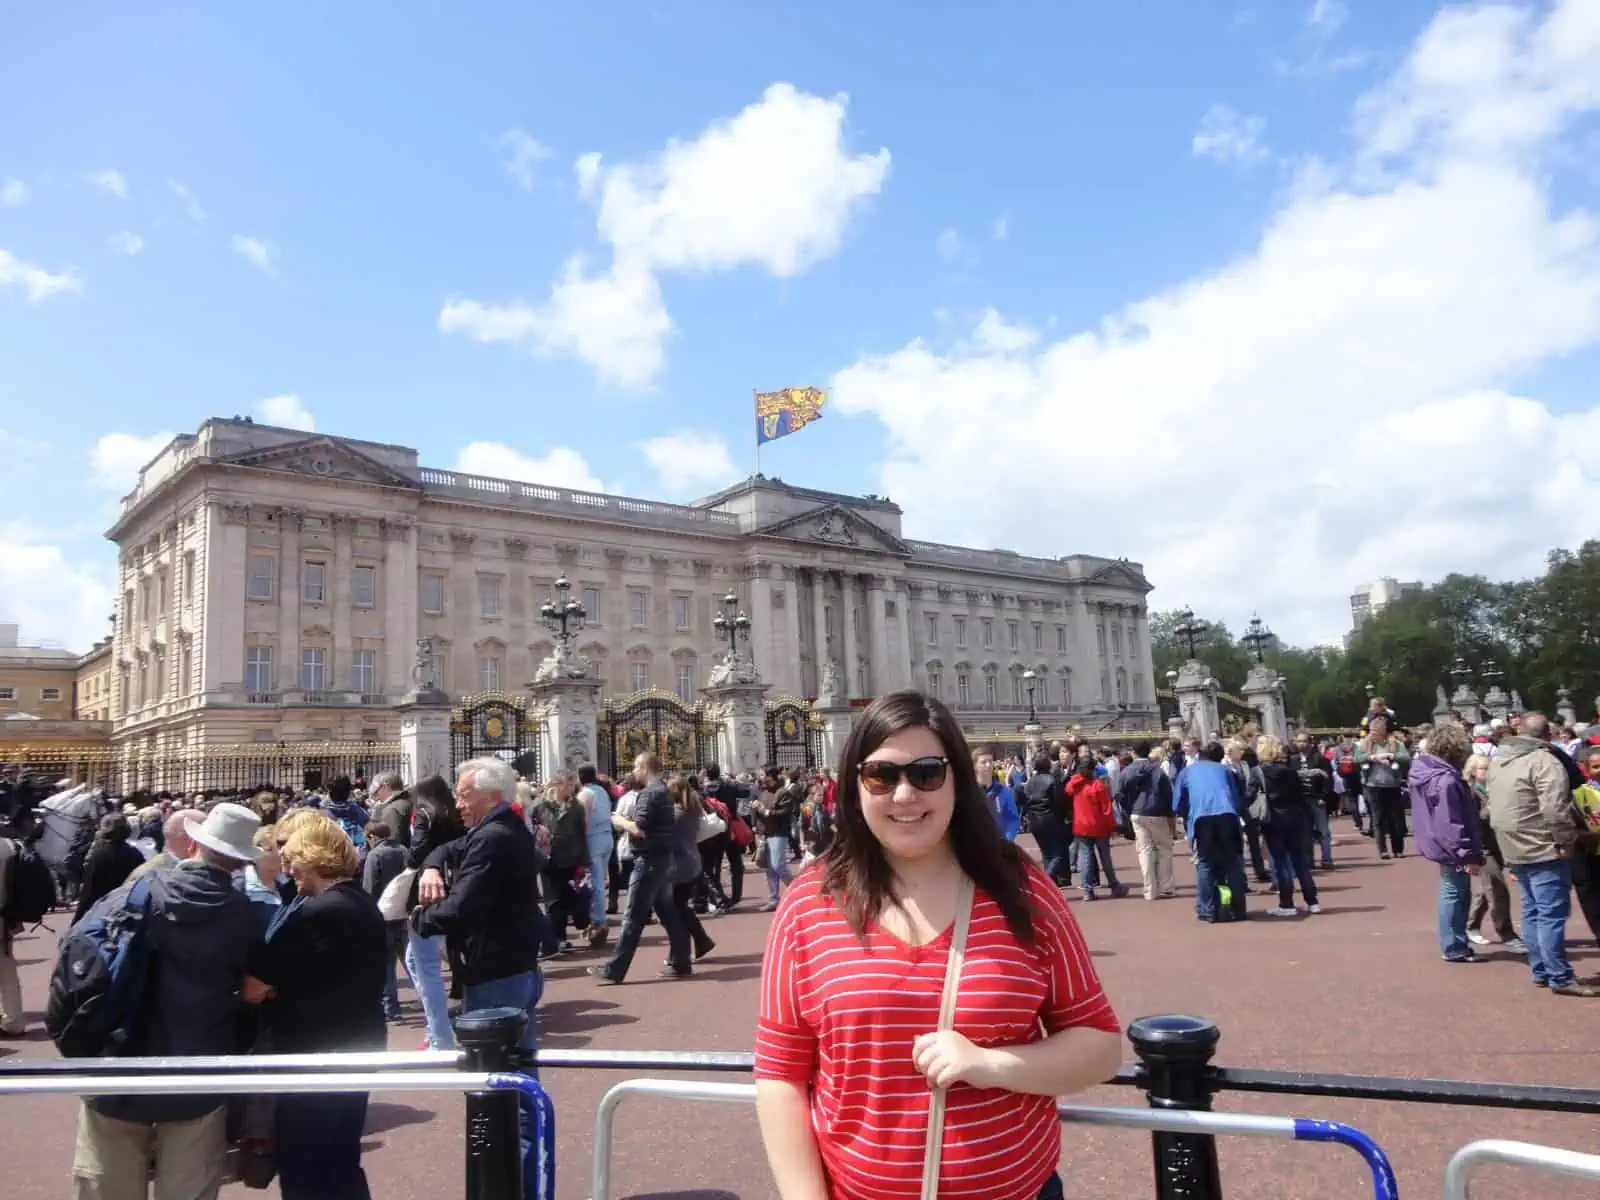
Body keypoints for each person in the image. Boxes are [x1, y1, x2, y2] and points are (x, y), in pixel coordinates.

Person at [754, 691, 1122, 1200]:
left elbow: (1099, 1044)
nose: (905, 795)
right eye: (881, 776)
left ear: (957, 780)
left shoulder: (1022, 890)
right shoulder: (809, 903)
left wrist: (991, 1065)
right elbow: (780, 1072)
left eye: (927, 773)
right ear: (855, 786)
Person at [70, 803, 259, 1200]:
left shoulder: (135, 892)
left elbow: (76, 952)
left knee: (107, 1187)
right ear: (240, 863)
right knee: (189, 1189)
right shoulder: (242, 914)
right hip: (197, 1068)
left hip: (120, 1061)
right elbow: (251, 991)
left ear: (193, 846)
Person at [413, 757, 549, 1196]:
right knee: (520, 1092)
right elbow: (449, 848)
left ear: (490, 796)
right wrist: (433, 864)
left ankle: (512, 1187)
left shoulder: (494, 838)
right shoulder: (501, 828)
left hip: (497, 975)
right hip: (514, 968)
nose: (457, 803)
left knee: (501, 1098)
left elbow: (462, 908)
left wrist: (418, 917)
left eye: (464, 795)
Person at [247, 818, 387, 1200]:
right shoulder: (361, 903)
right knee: (341, 1158)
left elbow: (255, 987)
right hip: (360, 1042)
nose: (289, 869)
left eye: (294, 859)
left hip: (312, 1049)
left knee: (304, 1163)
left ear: (313, 858)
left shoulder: (314, 913)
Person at [1487, 714, 1595, 997]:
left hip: (1512, 843)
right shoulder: (1543, 760)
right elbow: (1555, 808)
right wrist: (1566, 841)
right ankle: (1559, 975)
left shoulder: (1500, 760)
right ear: (1547, 734)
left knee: (1533, 911)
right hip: (1542, 843)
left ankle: (1541, 970)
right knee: (1550, 914)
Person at [589, 752, 692, 986]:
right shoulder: (664, 791)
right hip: (662, 858)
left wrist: (617, 819)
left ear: (645, 767)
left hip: (647, 860)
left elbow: (639, 829)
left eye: (636, 767)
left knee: (632, 917)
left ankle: (615, 969)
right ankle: (682, 961)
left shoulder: (649, 794)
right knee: (667, 912)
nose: (634, 772)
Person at [1408, 722, 1486, 963]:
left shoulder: (1427, 772)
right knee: (1455, 892)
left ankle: (1455, 942)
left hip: (1440, 842)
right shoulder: (1446, 780)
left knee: (1454, 891)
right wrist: (1465, 852)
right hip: (1451, 846)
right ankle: (1453, 945)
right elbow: (1450, 821)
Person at [404, 774, 465, 1050]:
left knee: (425, 964)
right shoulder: (453, 815)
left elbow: (415, 854)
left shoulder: (426, 815)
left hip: (426, 891)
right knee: (415, 960)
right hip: (451, 887)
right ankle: (437, 1024)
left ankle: (440, 1037)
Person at [1177, 742, 1249, 923]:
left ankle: (1207, 909)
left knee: (1205, 863)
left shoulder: (1187, 772)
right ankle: (1238, 908)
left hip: (1202, 817)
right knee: (1233, 861)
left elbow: (1178, 803)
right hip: (1227, 815)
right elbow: (1235, 798)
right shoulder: (1224, 770)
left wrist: (1188, 816)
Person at [1256, 736, 1319, 918]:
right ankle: (1312, 900)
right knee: (1299, 861)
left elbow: (1249, 795)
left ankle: (1286, 903)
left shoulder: (1258, 772)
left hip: (1273, 820)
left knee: (1281, 861)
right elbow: (1300, 795)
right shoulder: (1291, 771)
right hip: (1295, 818)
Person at [1121, 741, 1176, 901]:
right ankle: (1166, 886)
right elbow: (1167, 794)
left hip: (1137, 812)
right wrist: (1170, 815)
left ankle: (1150, 889)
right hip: (1157, 811)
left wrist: (1129, 809)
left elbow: (1121, 794)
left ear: (1133, 752)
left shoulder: (1128, 770)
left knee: (1144, 851)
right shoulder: (1158, 770)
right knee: (1164, 849)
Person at [1066, 757, 1127, 901]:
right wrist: (1112, 826)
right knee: (1105, 857)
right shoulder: (1098, 786)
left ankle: (1087, 890)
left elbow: (1068, 790)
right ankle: (1114, 884)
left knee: (1085, 858)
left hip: (1081, 825)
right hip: (1099, 826)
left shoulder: (1074, 784)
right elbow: (1106, 810)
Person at [72, 813, 146, 925]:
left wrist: (77, 919)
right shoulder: (136, 854)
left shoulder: (97, 856)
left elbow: (88, 891)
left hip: (101, 912)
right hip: (128, 911)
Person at [1355, 717, 1410, 859]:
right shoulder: (1365, 744)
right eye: (1371, 731)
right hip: (1373, 785)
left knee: (1395, 819)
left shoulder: (1395, 743)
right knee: (1378, 818)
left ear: (1384, 731)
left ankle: (1398, 849)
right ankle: (1382, 850)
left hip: (1392, 784)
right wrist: (1373, 758)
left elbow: (1406, 758)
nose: (1373, 734)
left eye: (1376, 731)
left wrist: (1391, 755)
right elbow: (1357, 758)